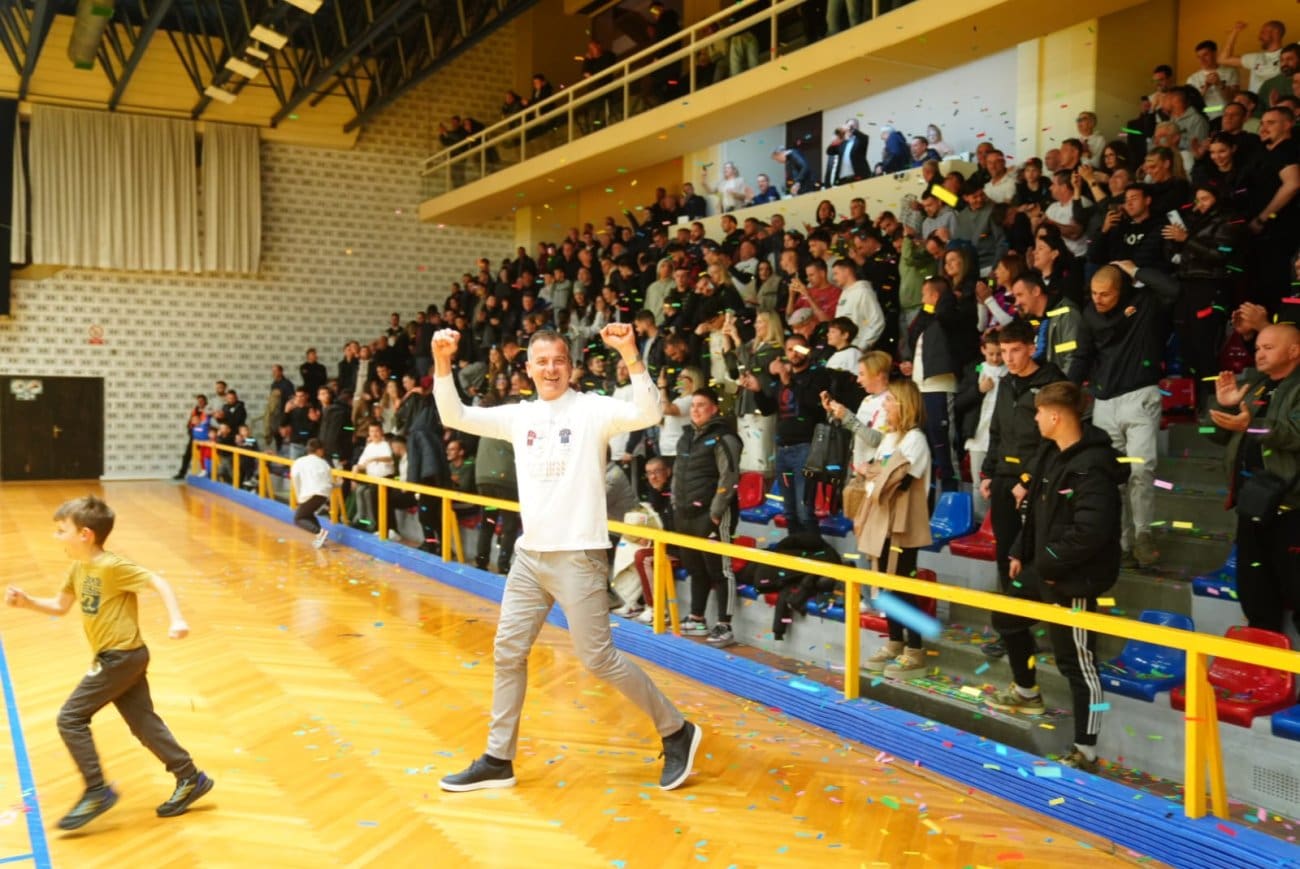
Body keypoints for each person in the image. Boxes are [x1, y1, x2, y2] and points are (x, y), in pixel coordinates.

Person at [431, 324, 701, 792]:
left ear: (571, 366)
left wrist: (630, 353)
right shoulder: (519, 416)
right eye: (542, 361)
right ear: (529, 368)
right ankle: (498, 758)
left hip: (578, 556)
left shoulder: (592, 409)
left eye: (559, 360)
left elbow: (649, 411)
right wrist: (442, 361)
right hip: (530, 558)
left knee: (598, 659)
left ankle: (677, 730)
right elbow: (453, 414)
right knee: (507, 651)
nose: (551, 369)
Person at [4, 496, 212, 830]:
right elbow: (60, 606)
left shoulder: (113, 566)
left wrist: (177, 618)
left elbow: (158, 582)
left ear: (85, 534)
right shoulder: (78, 568)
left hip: (121, 658)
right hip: (123, 657)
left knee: (70, 718)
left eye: (61, 531)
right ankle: (190, 777)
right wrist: (27, 603)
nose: (57, 537)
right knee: (143, 723)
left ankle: (97, 790)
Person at [985, 381, 1125, 773]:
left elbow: (1089, 533)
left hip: (1073, 579)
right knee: (1006, 617)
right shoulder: (1051, 454)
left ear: (1056, 416)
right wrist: (1019, 550)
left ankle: (1086, 749)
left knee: (1078, 663)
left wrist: (1045, 565)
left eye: (1038, 412)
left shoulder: (1092, 466)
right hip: (1042, 568)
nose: (1034, 419)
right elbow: (1035, 511)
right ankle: (1026, 691)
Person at [978, 318, 1065, 657]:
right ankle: (1013, 631)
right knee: (1005, 554)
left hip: (1039, 482)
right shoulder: (1004, 383)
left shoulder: (1051, 383)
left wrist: (1028, 480)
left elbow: (1051, 440)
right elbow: (996, 431)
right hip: (1003, 478)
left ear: (1032, 347)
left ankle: (1054, 631)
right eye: (1003, 352)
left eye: (1015, 350)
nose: (1009, 358)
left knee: (1038, 554)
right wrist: (988, 472)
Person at [1208, 324, 1300, 634]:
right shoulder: (1255, 386)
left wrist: (1253, 425)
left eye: (1268, 348)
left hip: (1292, 509)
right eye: (1258, 347)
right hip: (1252, 505)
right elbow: (1213, 434)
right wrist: (1225, 405)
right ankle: (1264, 662)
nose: (1259, 353)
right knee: (1256, 595)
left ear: (1294, 351)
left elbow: (1294, 433)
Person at [855, 380, 934, 677]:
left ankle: (915, 648)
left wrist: (873, 473)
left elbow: (897, 482)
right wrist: (875, 473)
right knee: (884, 583)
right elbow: (876, 474)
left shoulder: (916, 440)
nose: (885, 406)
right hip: (881, 518)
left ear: (904, 404)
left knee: (901, 583)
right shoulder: (889, 439)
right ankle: (894, 641)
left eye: (889, 401)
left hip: (904, 522)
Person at [672, 387, 743, 647]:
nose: (696, 410)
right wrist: (676, 504)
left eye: (702, 405)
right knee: (695, 567)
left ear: (714, 409)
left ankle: (725, 624)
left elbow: (729, 476)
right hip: (685, 513)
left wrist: (715, 512)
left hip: (712, 514)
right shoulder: (686, 436)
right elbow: (677, 472)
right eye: (693, 405)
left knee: (720, 570)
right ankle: (697, 617)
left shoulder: (725, 437)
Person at [290, 438, 334, 548]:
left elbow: (295, 478)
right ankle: (320, 536)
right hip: (323, 494)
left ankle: (319, 532)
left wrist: (299, 496)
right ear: (319, 450)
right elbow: (330, 480)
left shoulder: (299, 461)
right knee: (308, 514)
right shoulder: (324, 463)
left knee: (298, 518)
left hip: (309, 494)